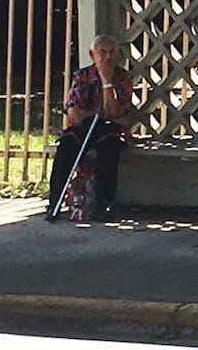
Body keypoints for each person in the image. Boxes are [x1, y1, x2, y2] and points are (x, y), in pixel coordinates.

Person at [46, 34, 138, 222]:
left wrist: (106, 82)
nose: (107, 57)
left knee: (109, 150)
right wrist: (107, 115)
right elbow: (75, 114)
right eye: (102, 52)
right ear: (92, 54)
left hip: (109, 130)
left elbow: (116, 110)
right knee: (65, 147)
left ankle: (104, 205)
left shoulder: (123, 78)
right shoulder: (81, 76)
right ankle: (54, 203)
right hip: (84, 127)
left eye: (112, 53)